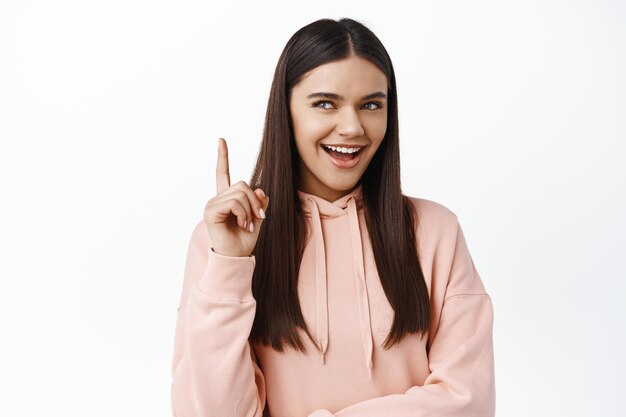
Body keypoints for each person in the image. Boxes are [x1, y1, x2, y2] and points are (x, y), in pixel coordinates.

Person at [170, 17, 495, 417]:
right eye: (325, 103)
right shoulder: (221, 242)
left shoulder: (435, 232)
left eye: (371, 105)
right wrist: (229, 266)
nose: (352, 127)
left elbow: (470, 401)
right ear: (285, 109)